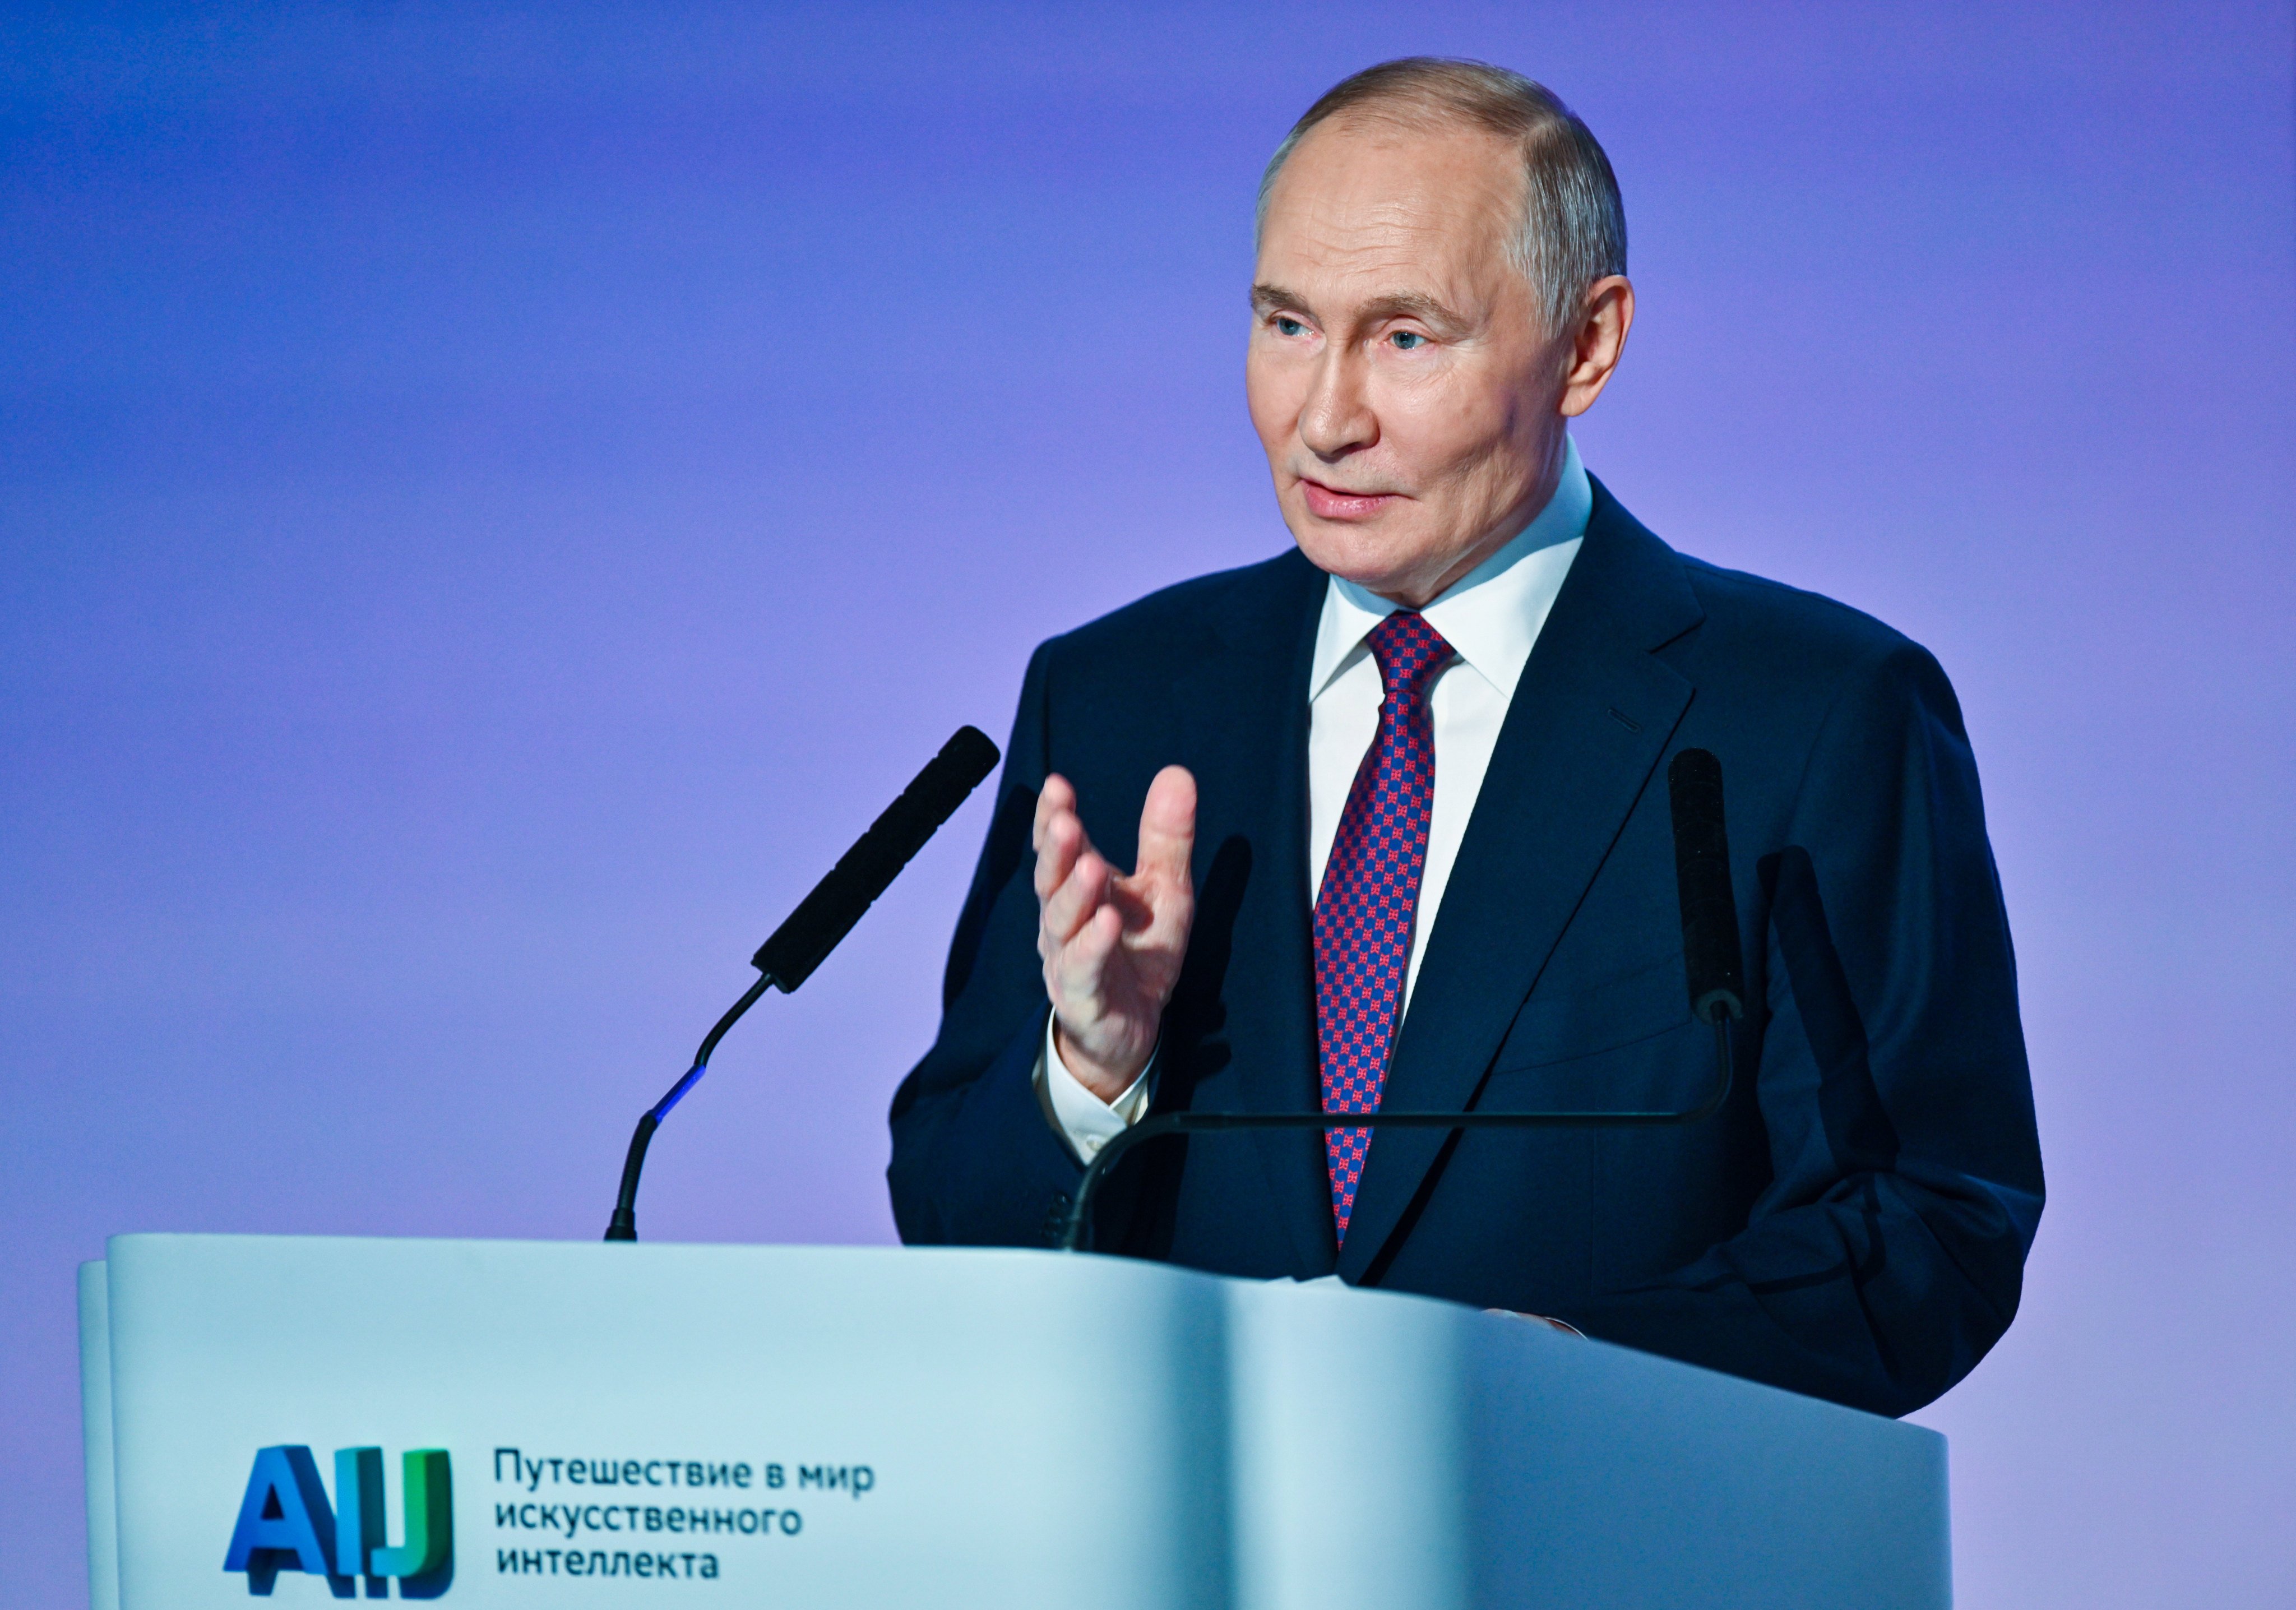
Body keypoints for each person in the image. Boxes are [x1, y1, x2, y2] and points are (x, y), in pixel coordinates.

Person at [886, 57, 2043, 1418]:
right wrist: (1092, 1074)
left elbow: (1923, 1224)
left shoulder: (1810, 714)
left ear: (1587, 344)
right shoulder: (1119, 697)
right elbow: (953, 1217)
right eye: (1283, 324)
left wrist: (1544, 1379)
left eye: (1404, 337)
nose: (1323, 417)